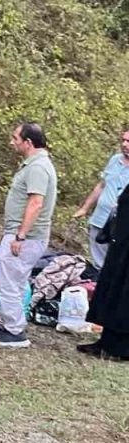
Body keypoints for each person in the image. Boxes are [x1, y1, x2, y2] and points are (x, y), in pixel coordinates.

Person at [0, 122, 58, 348]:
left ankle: (14, 331)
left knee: (7, 281)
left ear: (28, 142)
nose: (12, 142)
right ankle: (6, 324)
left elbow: (36, 202)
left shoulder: (38, 167)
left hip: (26, 236)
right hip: (22, 234)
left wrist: (21, 235)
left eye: (15, 138)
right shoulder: (34, 164)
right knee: (11, 280)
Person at [80, 182, 129, 360]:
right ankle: (105, 342)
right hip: (121, 243)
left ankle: (122, 349)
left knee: (125, 295)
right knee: (112, 288)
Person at [73, 129, 129, 269]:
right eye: (123, 140)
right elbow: (102, 185)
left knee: (116, 264)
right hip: (99, 220)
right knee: (98, 262)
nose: (124, 144)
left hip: (121, 225)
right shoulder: (115, 160)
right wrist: (85, 208)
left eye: (128, 142)